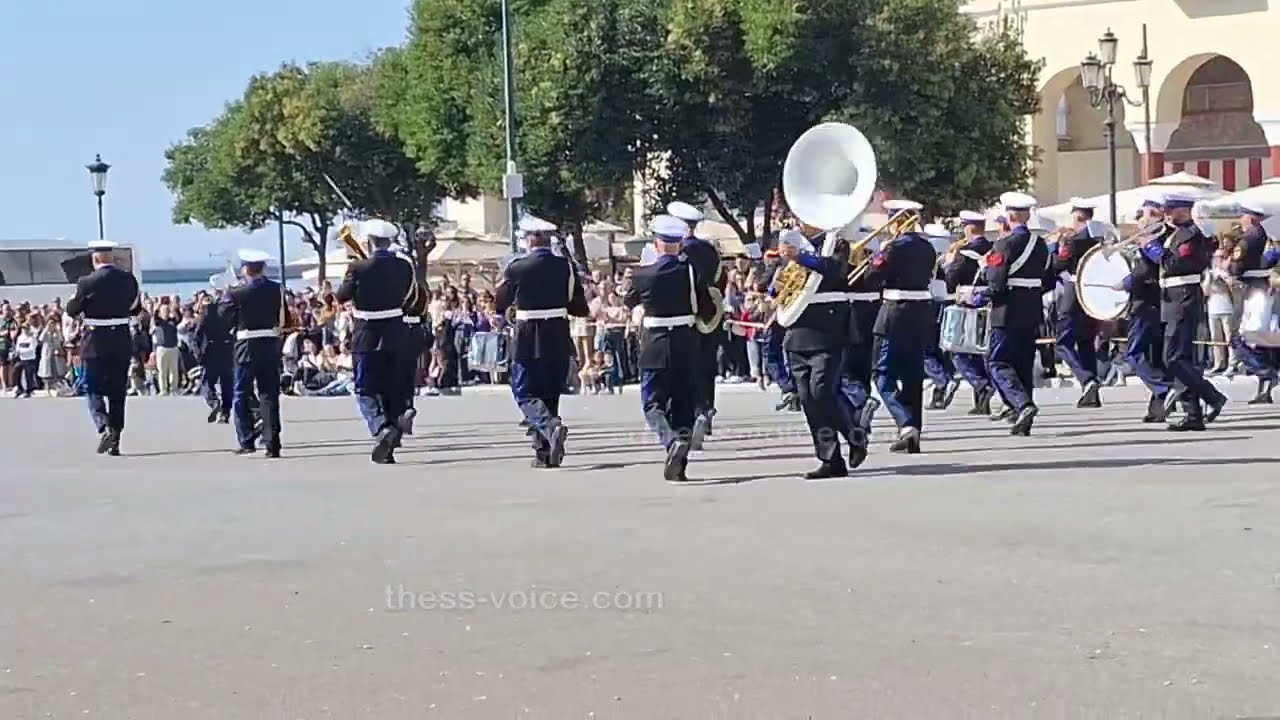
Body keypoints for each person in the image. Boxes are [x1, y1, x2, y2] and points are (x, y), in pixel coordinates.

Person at [624, 216, 716, 482]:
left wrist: (644, 267)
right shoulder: (690, 271)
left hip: (655, 344)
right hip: (686, 343)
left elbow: (630, 301)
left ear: (657, 243)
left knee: (652, 403)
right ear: (679, 245)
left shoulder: (643, 274)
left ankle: (670, 440)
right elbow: (707, 307)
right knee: (683, 404)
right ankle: (681, 462)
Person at [494, 215, 590, 468]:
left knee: (525, 391)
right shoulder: (565, 266)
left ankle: (550, 427)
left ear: (529, 239)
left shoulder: (517, 267)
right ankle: (544, 453)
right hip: (558, 331)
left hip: (528, 334)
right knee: (549, 393)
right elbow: (579, 306)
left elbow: (500, 302)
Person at [777, 223, 855, 479]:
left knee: (821, 390)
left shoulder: (836, 243)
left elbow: (835, 271)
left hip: (827, 330)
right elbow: (777, 286)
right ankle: (830, 459)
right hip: (797, 332)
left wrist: (798, 257)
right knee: (808, 398)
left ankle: (855, 434)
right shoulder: (793, 245)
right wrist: (773, 285)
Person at [335, 219, 416, 464]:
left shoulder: (358, 268)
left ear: (369, 242)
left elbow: (341, 297)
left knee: (366, 388)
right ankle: (390, 436)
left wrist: (354, 270)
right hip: (396, 329)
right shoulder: (404, 266)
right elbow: (410, 296)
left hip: (367, 331)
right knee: (393, 387)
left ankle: (381, 427)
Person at [866, 218, 942, 454]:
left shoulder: (892, 247)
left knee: (882, 373)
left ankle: (905, 422)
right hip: (921, 312)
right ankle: (913, 434)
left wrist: (877, 255)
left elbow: (871, 276)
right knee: (912, 375)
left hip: (894, 311)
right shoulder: (927, 247)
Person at [1154, 193, 1227, 430]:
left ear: (1184, 211)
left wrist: (1150, 248)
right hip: (1171, 300)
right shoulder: (1174, 233)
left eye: (1170, 209)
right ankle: (1193, 414)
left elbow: (1174, 264)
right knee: (1179, 359)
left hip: (1183, 298)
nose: (1166, 213)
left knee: (1173, 358)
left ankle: (1212, 396)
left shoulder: (1192, 235)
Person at [980, 192, 1048, 436]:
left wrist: (980, 296)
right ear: (1027, 215)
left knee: (997, 361)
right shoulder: (1040, 244)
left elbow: (996, 284)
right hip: (1031, 308)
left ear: (1009, 215)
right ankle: (1021, 414)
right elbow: (1047, 279)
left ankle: (1023, 405)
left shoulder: (1004, 244)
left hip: (1007, 309)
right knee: (1023, 362)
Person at [65, 240, 141, 455]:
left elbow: (72, 310)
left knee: (92, 387)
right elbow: (135, 308)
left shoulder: (87, 282)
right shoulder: (128, 279)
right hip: (121, 338)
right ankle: (115, 438)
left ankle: (104, 424)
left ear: (95, 258)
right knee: (117, 392)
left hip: (96, 340)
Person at [218, 249, 284, 458]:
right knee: (269, 395)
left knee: (241, 394)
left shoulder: (237, 292)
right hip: (269, 344)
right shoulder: (276, 289)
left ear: (245, 269)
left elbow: (223, 315)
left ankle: (246, 439)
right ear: (263, 268)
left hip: (246, 345)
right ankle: (273, 443)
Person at [669, 200, 724, 447]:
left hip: (685, 313)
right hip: (710, 313)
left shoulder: (680, 253)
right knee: (706, 364)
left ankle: (692, 415)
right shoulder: (711, 250)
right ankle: (706, 409)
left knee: (685, 368)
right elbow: (719, 281)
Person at [1051, 197, 1103, 408]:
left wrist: (1057, 246)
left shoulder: (1074, 240)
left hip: (1074, 289)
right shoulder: (1099, 238)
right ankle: (1092, 394)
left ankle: (1086, 379)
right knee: (1086, 342)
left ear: (1078, 216)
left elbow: (1058, 264)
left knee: (1062, 342)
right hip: (1092, 292)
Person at [838, 222, 882, 464]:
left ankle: (862, 402)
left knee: (843, 373)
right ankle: (861, 428)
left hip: (852, 316)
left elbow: (841, 280)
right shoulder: (878, 263)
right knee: (862, 373)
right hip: (874, 317)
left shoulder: (847, 260)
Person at [943, 210, 995, 415]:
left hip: (967, 301)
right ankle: (982, 402)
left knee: (959, 351)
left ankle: (981, 385)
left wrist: (949, 262)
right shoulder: (992, 248)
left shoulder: (964, 253)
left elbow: (950, 281)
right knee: (981, 352)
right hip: (988, 301)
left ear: (969, 228)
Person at [1227, 201, 1278, 404]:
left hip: (1253, 290)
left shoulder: (1251, 236)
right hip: (1258, 288)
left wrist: (1229, 265)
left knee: (1242, 337)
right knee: (1258, 340)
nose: (1241, 219)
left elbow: (1236, 268)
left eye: (1243, 215)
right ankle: (1265, 382)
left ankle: (1267, 372)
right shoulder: (1260, 237)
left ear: (1250, 217)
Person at [922, 221, 960, 410]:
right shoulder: (940, 257)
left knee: (922, 348)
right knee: (935, 347)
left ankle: (942, 380)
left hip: (928, 300)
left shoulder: (928, 255)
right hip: (940, 299)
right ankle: (941, 387)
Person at [193, 295, 233, 423]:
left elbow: (197, 336)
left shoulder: (205, 315)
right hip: (226, 350)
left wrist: (198, 353)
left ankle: (214, 401)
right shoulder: (226, 313)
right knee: (227, 384)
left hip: (211, 351)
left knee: (207, 383)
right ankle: (225, 412)